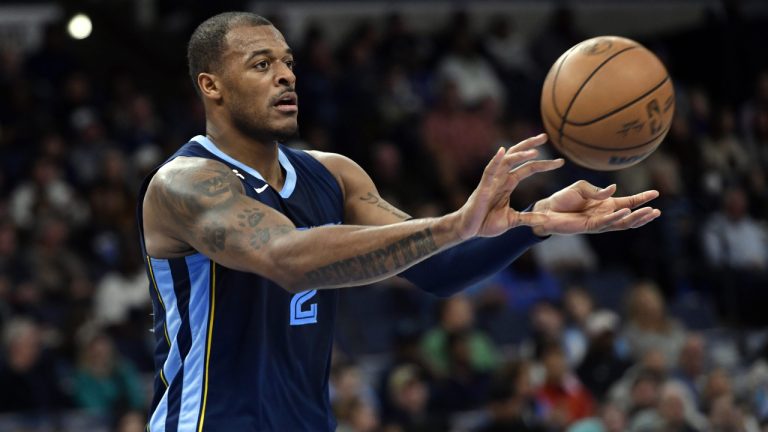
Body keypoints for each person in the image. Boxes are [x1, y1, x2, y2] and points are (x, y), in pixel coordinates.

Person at [138, 12, 661, 432]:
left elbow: (439, 270)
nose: (286, 75)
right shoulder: (183, 185)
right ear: (212, 85)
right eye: (260, 64)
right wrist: (457, 223)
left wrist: (532, 222)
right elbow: (287, 258)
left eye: (288, 62)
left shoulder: (333, 174)